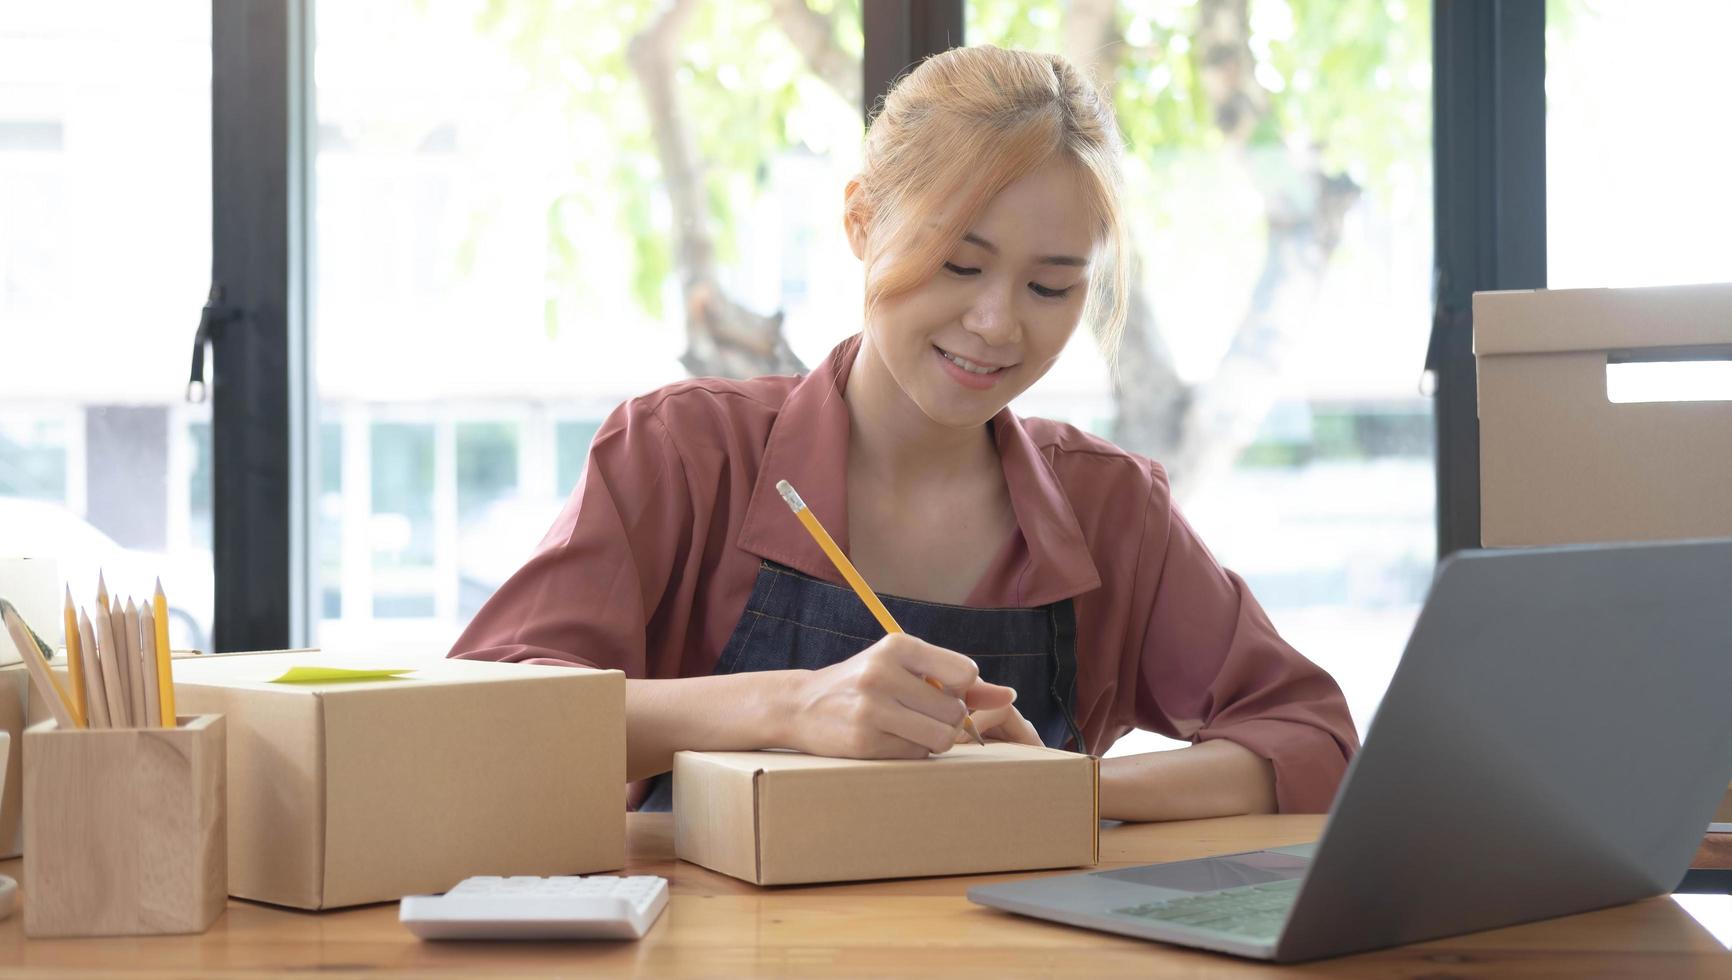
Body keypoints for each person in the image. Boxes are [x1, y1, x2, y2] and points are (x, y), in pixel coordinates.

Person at [450, 45, 1359, 821]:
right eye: (959, 264)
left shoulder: (1111, 505)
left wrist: (1065, 790)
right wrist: (791, 704)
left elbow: (1312, 740)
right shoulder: (683, 451)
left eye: (1051, 287)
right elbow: (479, 720)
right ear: (859, 221)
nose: (998, 323)